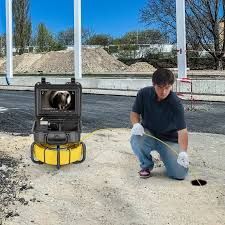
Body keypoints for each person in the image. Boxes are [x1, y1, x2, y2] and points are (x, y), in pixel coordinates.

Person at [130, 68, 189, 180]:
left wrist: (183, 152)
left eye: (167, 88)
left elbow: (182, 131)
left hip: (168, 140)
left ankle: (165, 155)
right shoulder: (143, 94)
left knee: (180, 174)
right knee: (136, 138)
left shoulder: (175, 103)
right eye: (160, 87)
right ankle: (146, 166)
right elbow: (134, 113)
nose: (163, 92)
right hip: (149, 134)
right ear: (153, 84)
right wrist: (136, 124)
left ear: (171, 86)